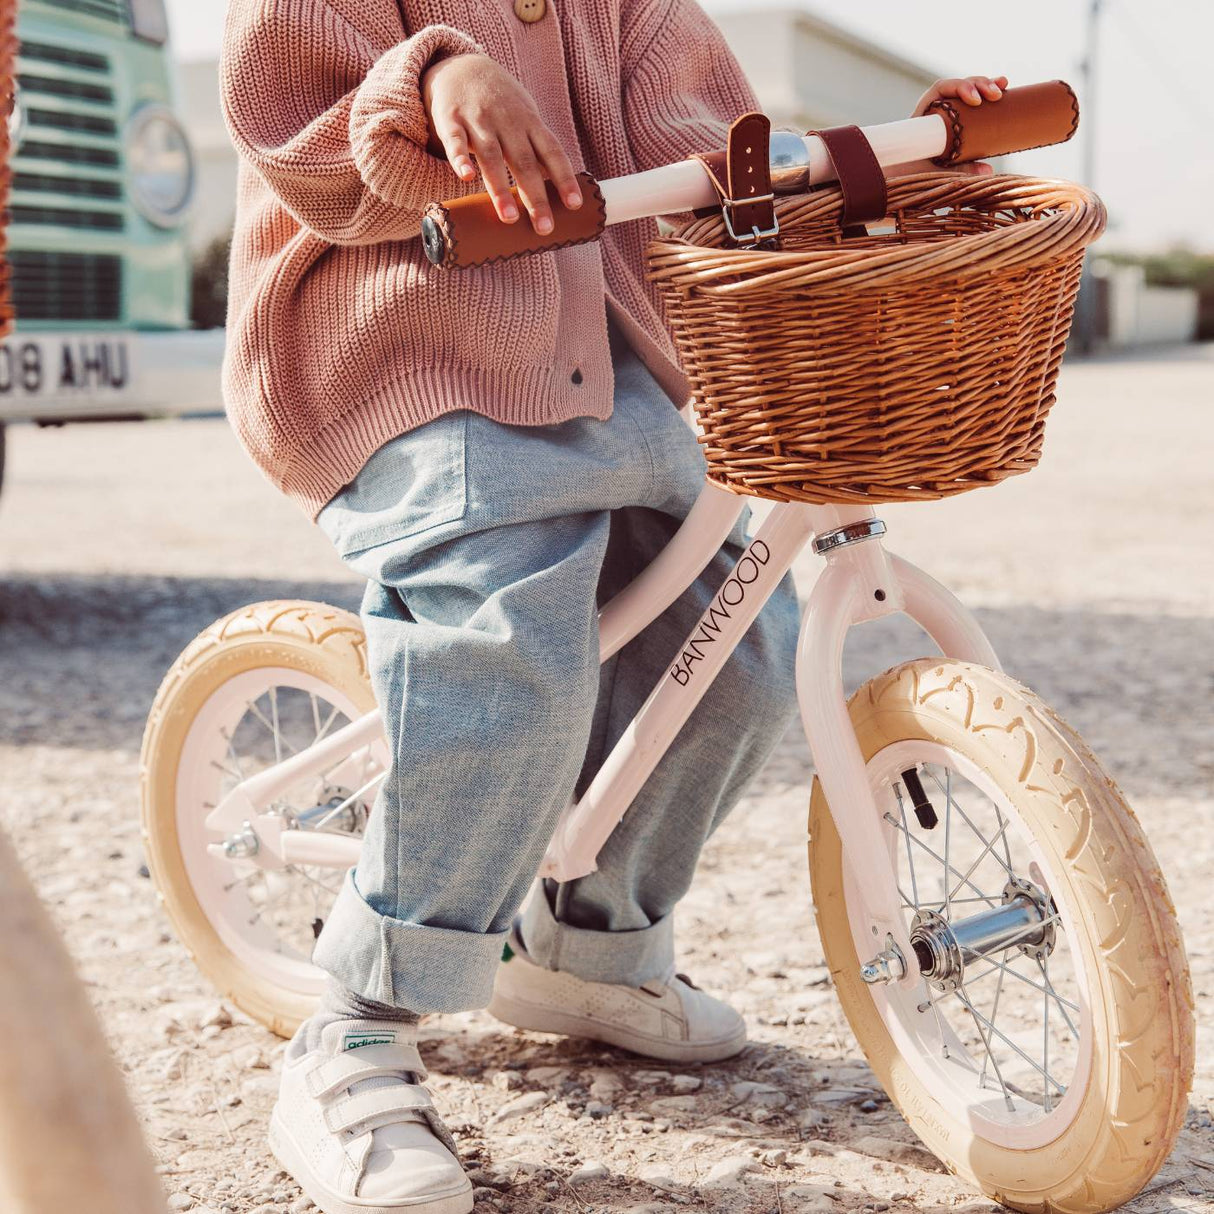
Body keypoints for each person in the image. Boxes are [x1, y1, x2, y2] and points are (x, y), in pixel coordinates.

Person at [218, 3, 1006, 1209]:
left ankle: (585, 947)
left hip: (604, 364)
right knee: (511, 643)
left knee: (737, 641)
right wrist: (436, 78)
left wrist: (890, 164)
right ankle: (356, 1021)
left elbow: (718, 157)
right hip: (411, 354)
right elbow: (301, 135)